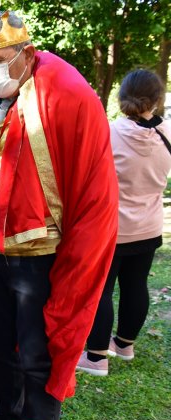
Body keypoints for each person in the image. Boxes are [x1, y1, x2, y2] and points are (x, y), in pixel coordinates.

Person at [0, 11, 117, 420]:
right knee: (1, 347)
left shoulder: (64, 94)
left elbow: (91, 183)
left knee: (37, 355)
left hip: (39, 255)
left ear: (25, 53)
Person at [77, 70, 171, 376]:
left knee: (102, 290)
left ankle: (95, 357)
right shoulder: (167, 132)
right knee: (136, 285)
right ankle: (124, 345)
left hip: (112, 225)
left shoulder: (110, 132)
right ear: (156, 99)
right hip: (150, 222)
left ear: (122, 96)